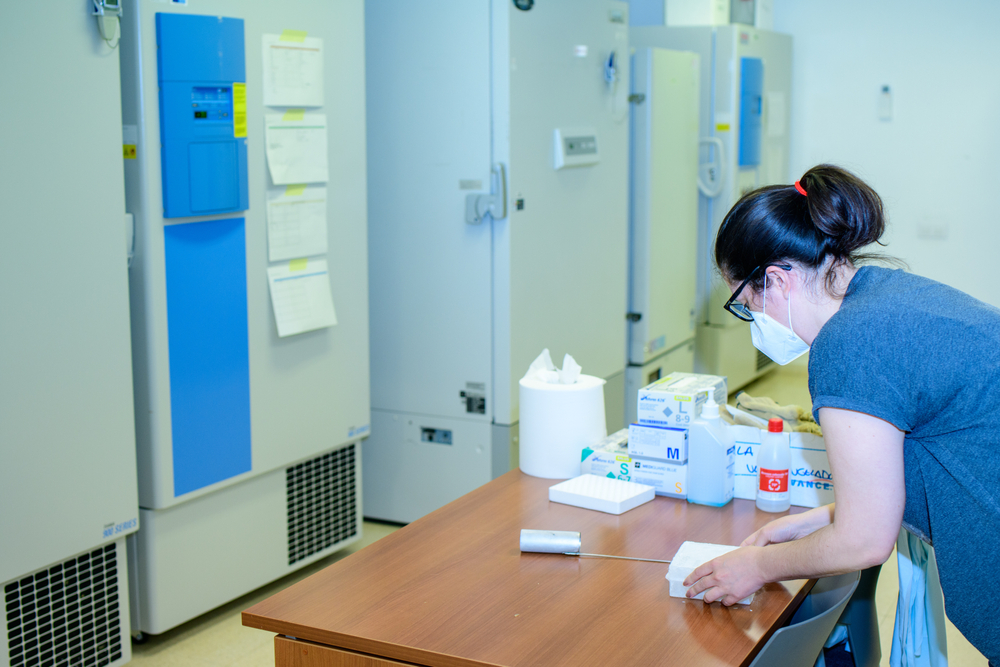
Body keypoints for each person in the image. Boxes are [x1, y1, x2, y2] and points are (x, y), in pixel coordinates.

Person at [682, 164, 1000, 664]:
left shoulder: (849, 345)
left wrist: (757, 566)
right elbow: (897, 479)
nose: (753, 323)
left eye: (746, 306)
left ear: (777, 280)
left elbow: (864, 540)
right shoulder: (885, 295)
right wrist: (820, 519)